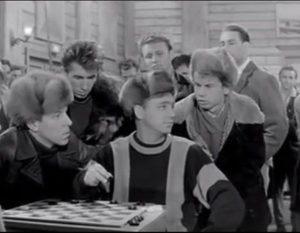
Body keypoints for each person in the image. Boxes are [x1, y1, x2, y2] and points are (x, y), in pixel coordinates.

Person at [82, 70, 245, 231]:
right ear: (139, 111)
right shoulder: (111, 153)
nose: (171, 114)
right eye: (162, 107)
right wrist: (84, 181)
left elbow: (230, 202)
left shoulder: (190, 153)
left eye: (172, 106)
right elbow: (83, 200)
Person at [173, 48, 271, 231]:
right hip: (200, 211)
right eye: (197, 85)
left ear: (226, 87)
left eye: (208, 86)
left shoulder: (247, 110)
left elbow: (252, 166)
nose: (200, 93)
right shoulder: (179, 115)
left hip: (246, 207)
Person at [0, 71, 95, 209]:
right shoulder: (5, 149)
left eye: (65, 112)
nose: (68, 122)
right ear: (33, 122)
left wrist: (84, 181)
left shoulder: (70, 141)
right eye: (57, 115)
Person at [219, 24, 288, 194]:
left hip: (250, 171)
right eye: (222, 44)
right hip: (220, 167)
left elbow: (277, 126)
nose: (225, 48)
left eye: (231, 43)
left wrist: (252, 157)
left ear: (246, 46)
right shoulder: (220, 82)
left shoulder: (263, 80)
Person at [62, 41, 122, 144]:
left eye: (91, 77)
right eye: (78, 78)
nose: (85, 87)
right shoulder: (49, 100)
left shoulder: (112, 102)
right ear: (65, 73)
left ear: (98, 74)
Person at [270, 65, 299, 232]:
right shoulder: (274, 99)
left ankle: (296, 225)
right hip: (277, 150)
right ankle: (280, 224)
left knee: (296, 189)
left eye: (290, 77)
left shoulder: (298, 100)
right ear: (279, 79)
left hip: (295, 151)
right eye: (284, 77)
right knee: (276, 189)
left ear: (295, 80)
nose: (287, 80)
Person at [139, 34, 193, 101]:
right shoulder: (137, 88)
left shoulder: (188, 86)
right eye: (149, 56)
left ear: (170, 54)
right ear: (143, 60)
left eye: (159, 54)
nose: (154, 60)